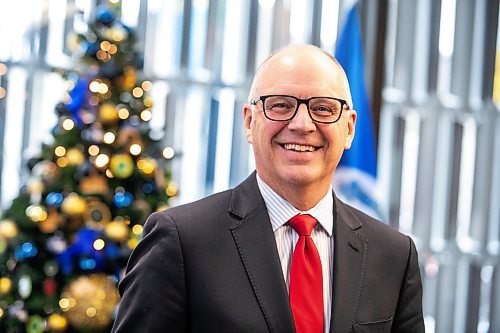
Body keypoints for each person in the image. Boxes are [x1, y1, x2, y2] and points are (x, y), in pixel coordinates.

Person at [112, 44, 424, 333]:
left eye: (324, 109)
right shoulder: (180, 241)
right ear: (249, 122)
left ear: (349, 129)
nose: (302, 124)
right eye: (280, 105)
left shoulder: (394, 256)